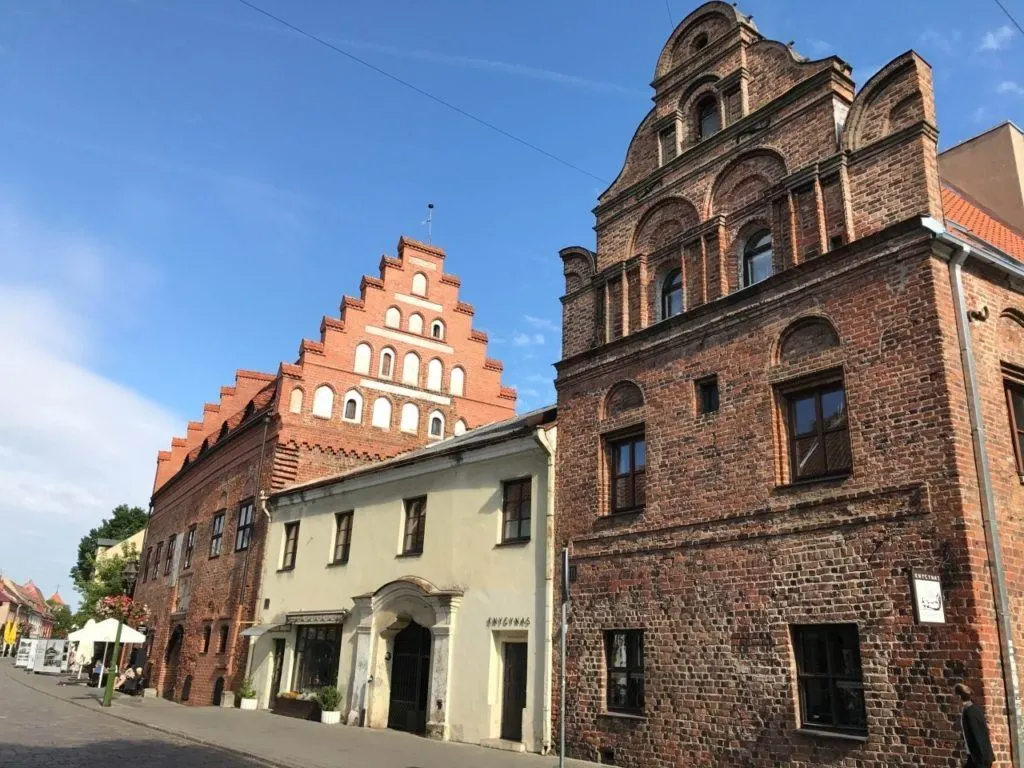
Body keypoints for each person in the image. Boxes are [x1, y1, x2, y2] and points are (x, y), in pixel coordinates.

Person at [955, 683, 994, 768]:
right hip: (974, 757)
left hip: (979, 759)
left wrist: (983, 761)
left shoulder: (970, 712)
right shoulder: (970, 709)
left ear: (958, 697)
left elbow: (980, 735)